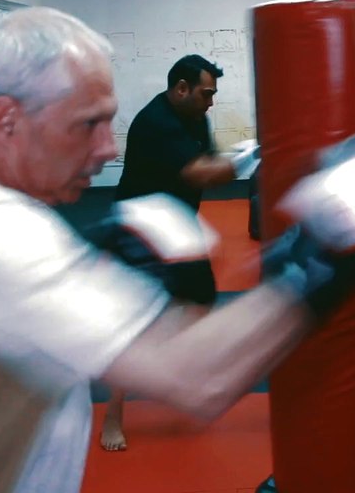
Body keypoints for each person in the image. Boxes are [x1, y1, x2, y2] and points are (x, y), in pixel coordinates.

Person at [0, 7, 355, 493]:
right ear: (6, 121)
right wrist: (330, 247)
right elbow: (196, 375)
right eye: (87, 125)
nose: (106, 149)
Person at [101, 53, 254, 451]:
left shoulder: (195, 115)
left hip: (180, 227)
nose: (211, 102)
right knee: (132, 322)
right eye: (206, 94)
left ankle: (171, 371)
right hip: (140, 230)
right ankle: (112, 414)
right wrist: (257, 153)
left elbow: (209, 158)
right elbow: (202, 172)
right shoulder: (156, 123)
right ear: (181, 88)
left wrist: (244, 151)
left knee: (201, 300)